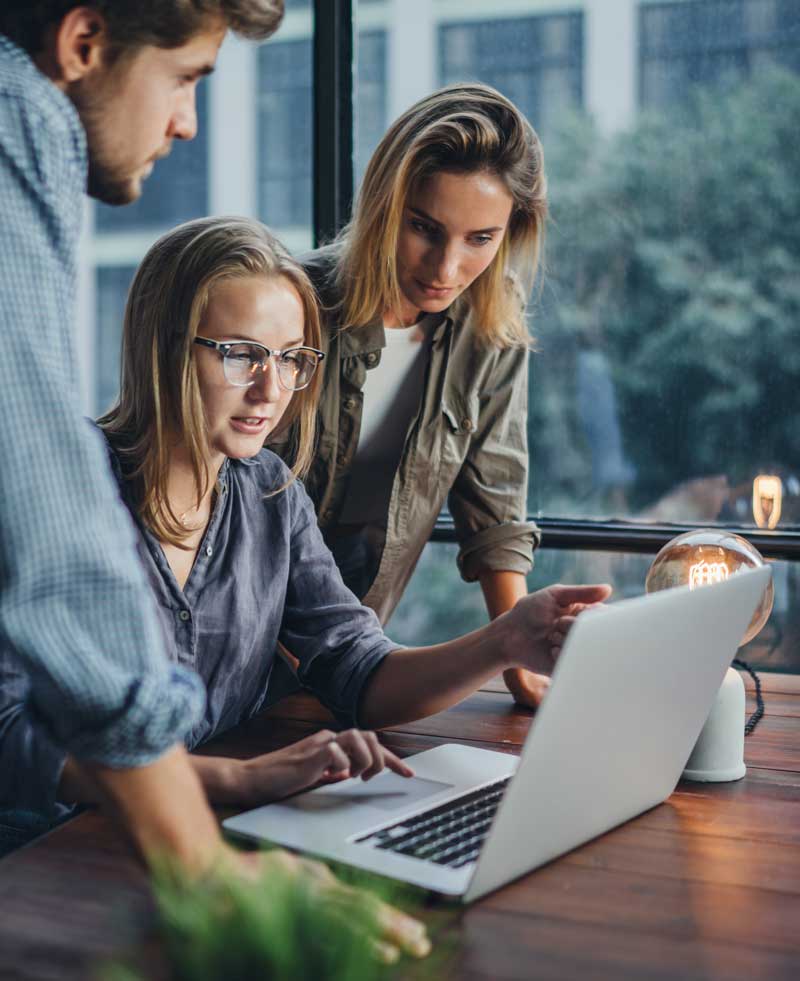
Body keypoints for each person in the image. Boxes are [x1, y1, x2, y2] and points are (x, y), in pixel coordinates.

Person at [1, 216, 611, 840]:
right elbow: (8, 734)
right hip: (41, 859)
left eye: (292, 358)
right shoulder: (52, 485)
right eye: (241, 354)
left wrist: (504, 641)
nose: (273, 389)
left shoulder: (271, 495)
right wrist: (238, 780)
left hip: (193, 840)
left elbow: (358, 669)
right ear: (163, 348)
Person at [289, 83, 552, 710]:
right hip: (238, 641)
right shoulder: (291, 304)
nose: (444, 267)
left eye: (479, 239)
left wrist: (521, 664)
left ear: (511, 232)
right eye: (424, 228)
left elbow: (496, 506)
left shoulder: (493, 331)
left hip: (353, 657)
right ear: (386, 206)